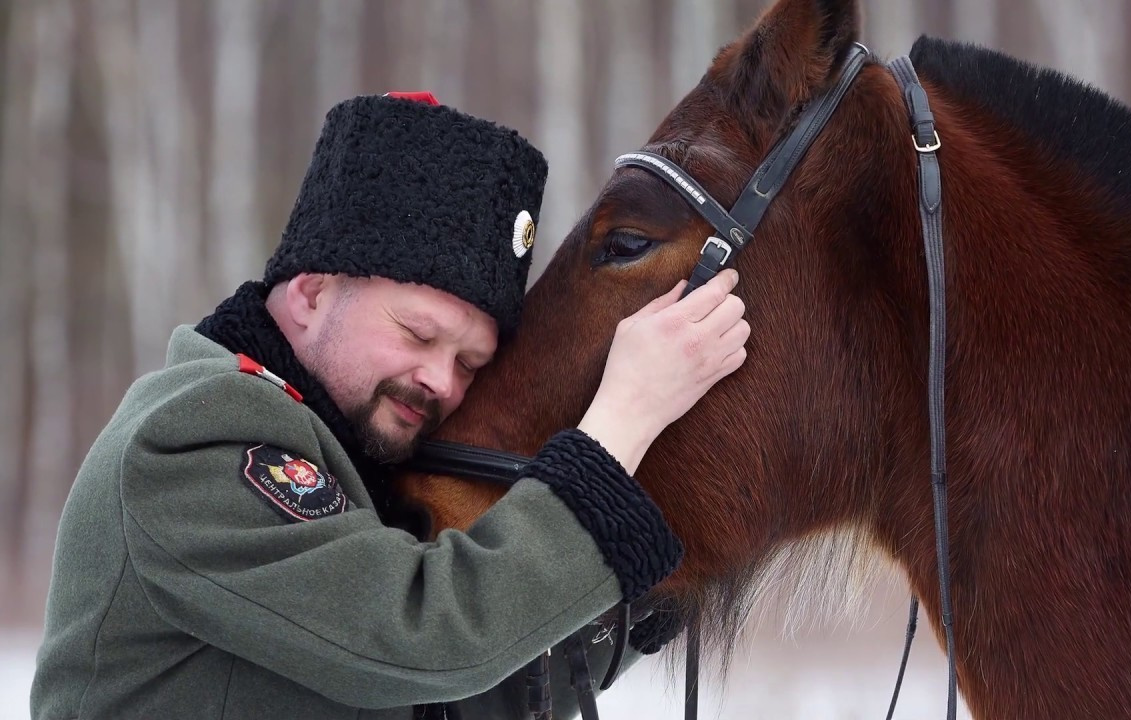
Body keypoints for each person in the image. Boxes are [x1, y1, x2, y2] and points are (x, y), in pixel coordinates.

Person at [29, 90, 749, 719]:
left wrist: (640, 598)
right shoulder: (192, 441)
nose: (440, 381)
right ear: (312, 292)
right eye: (418, 334)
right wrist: (622, 420)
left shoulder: (349, 463)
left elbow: (444, 701)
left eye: (469, 363)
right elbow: (426, 642)